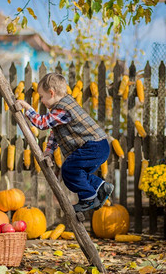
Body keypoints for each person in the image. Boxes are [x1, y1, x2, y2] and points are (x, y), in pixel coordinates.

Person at [17, 73, 114, 212]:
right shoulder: (63, 107)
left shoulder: (63, 108)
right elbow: (54, 133)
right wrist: (49, 152)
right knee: (78, 173)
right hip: (98, 146)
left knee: (69, 169)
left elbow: (42, 124)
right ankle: (101, 187)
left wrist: (27, 108)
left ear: (51, 93)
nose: (41, 101)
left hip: (94, 146)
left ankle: (89, 198)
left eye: (42, 97)